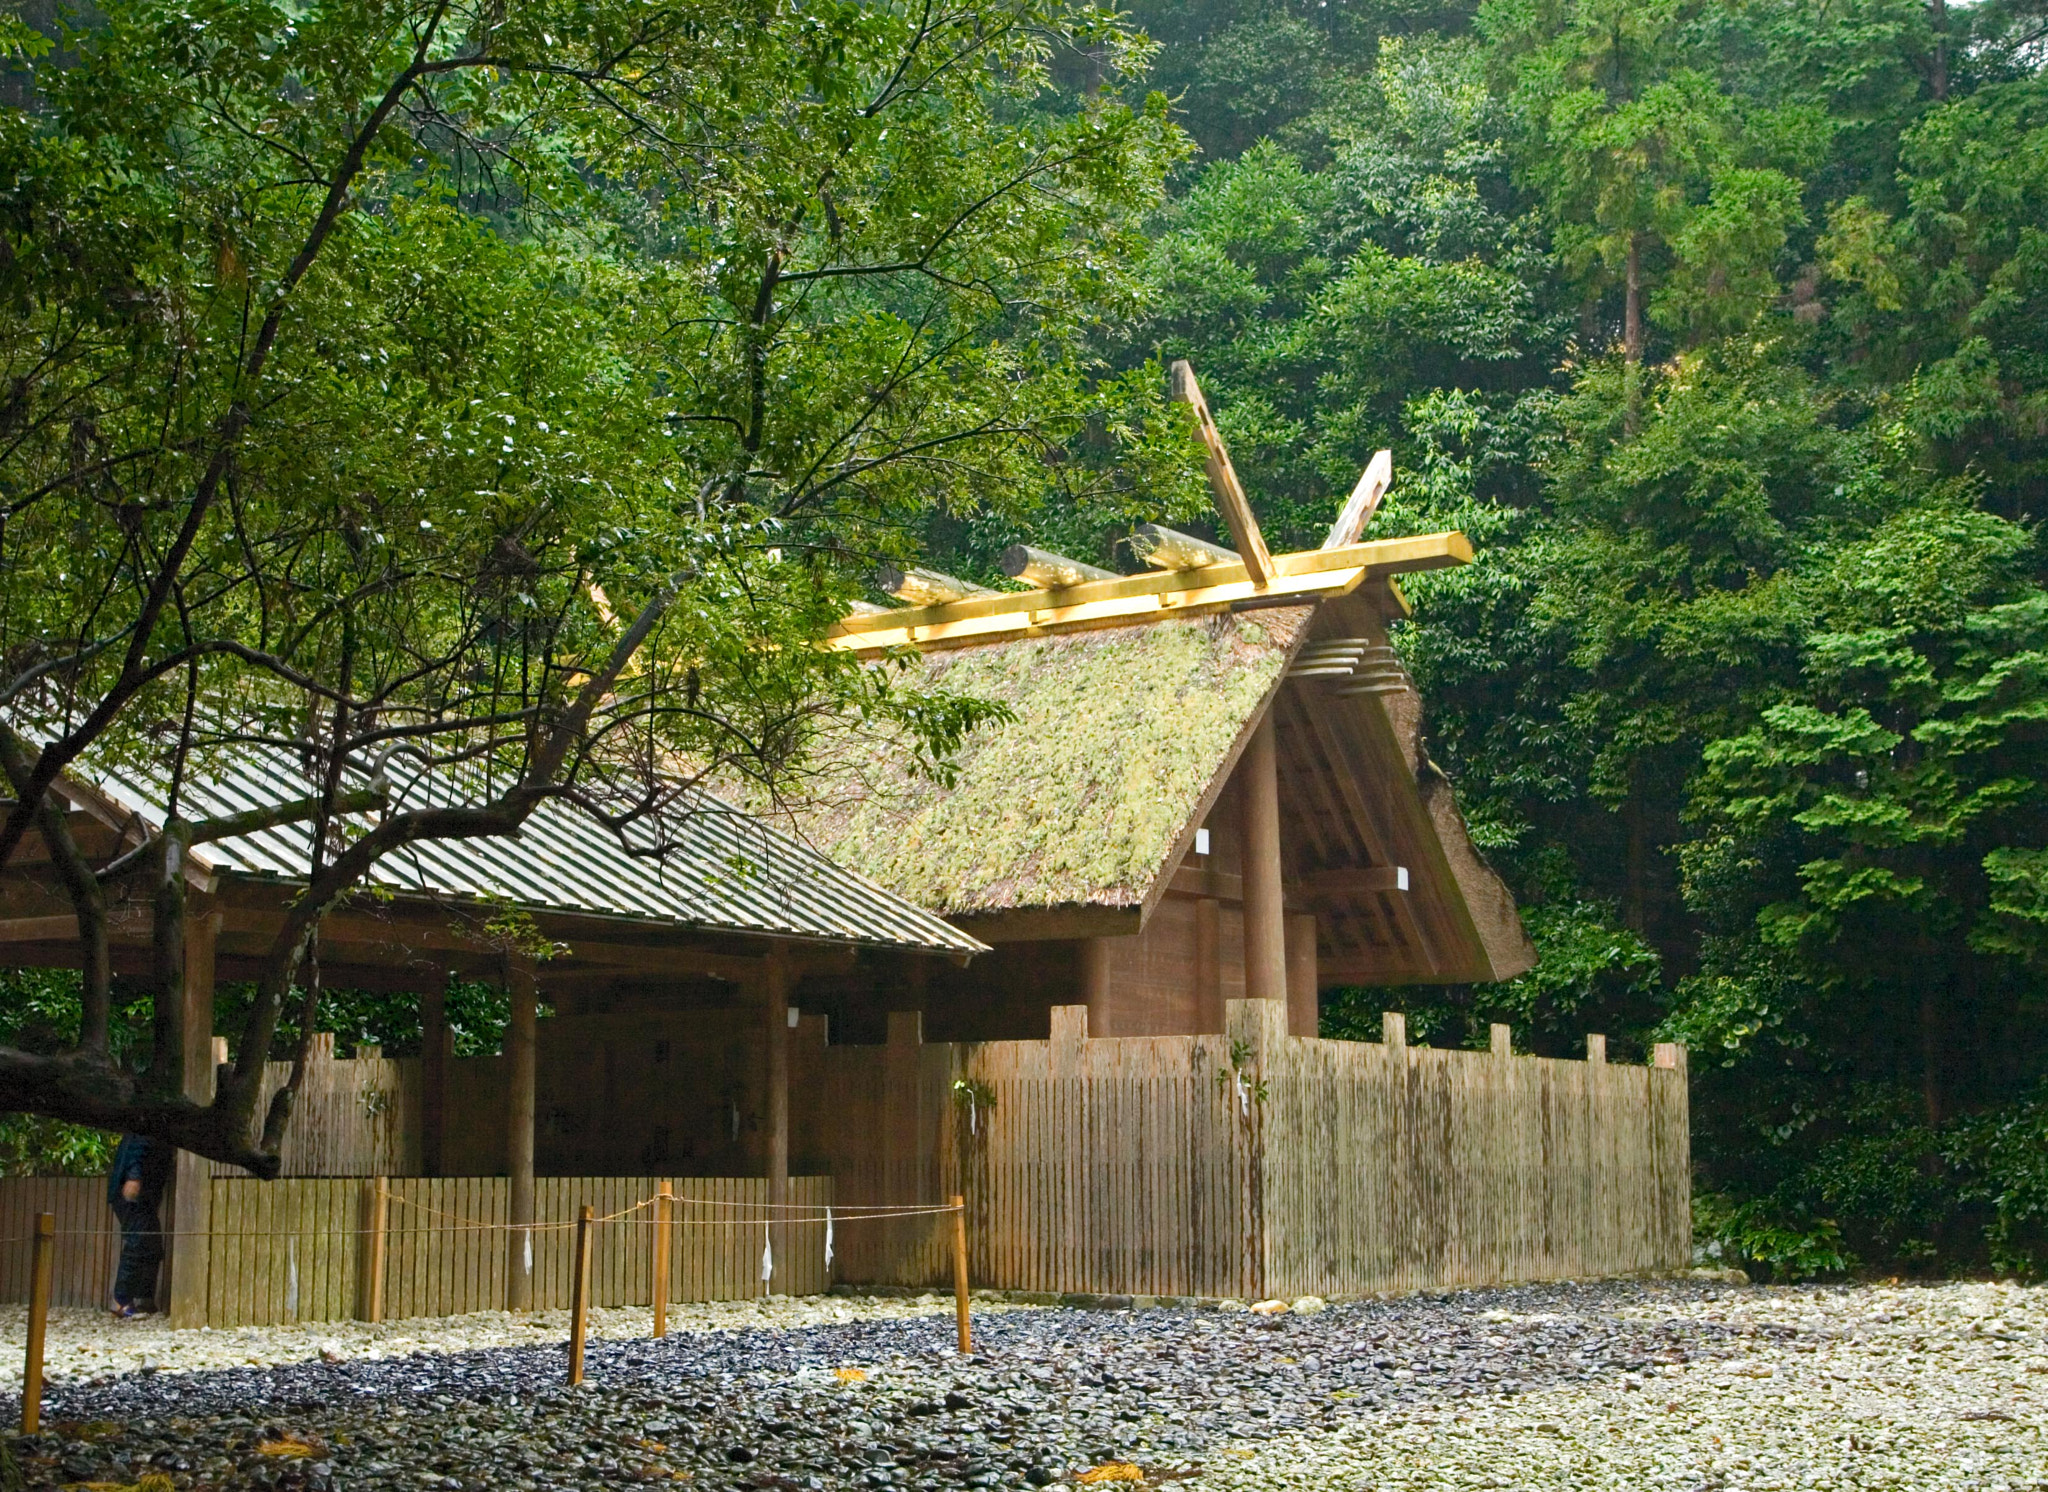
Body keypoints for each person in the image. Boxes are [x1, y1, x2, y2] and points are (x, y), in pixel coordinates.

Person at [107, 1133, 170, 1317]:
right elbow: (137, 1148)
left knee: (151, 1245)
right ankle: (121, 1300)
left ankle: (144, 1298)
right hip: (133, 1193)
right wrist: (133, 1178)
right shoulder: (148, 1121)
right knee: (137, 1241)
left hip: (146, 1196)